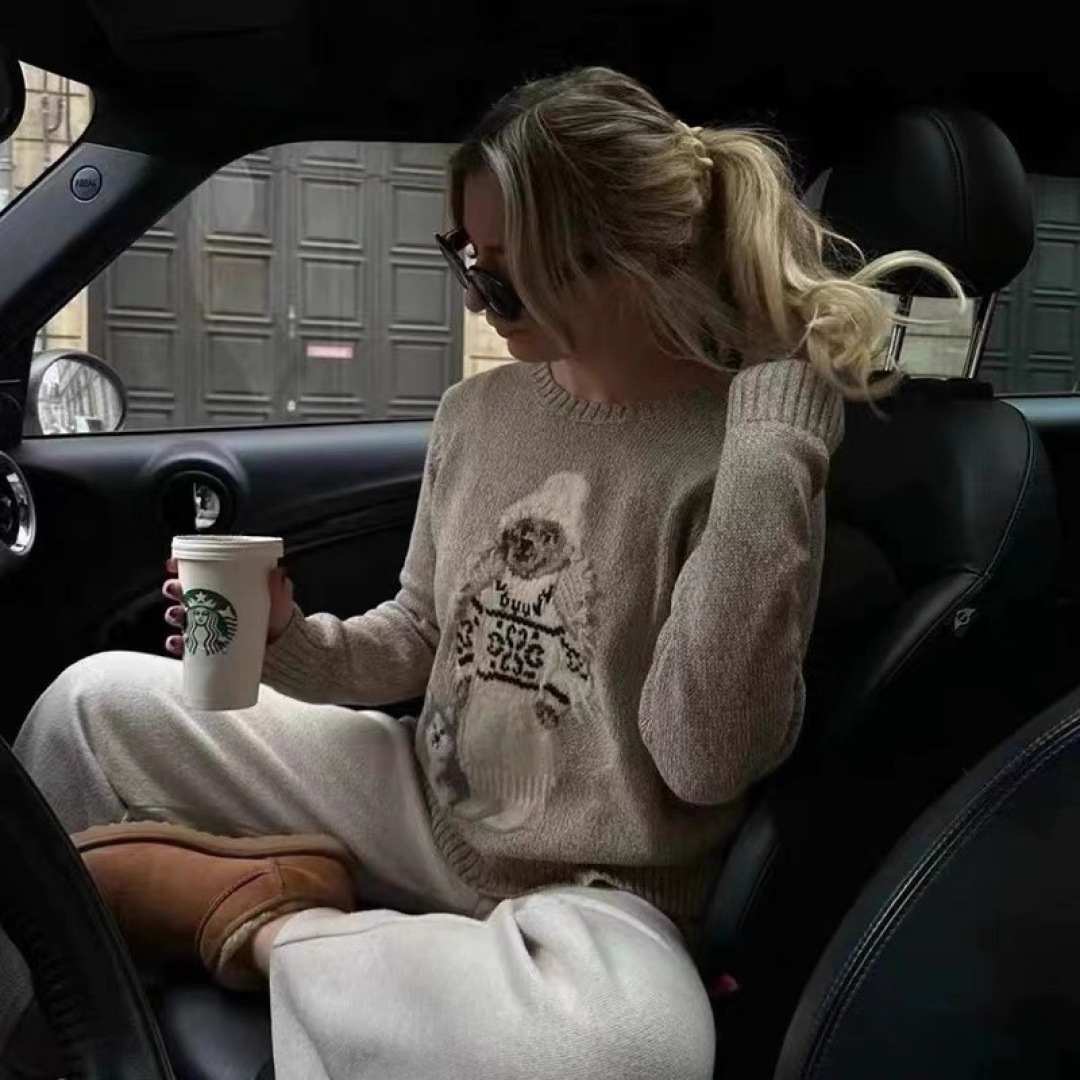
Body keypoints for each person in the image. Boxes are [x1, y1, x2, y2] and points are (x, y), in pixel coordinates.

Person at [1, 67, 958, 1080]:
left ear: (621, 259)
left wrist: (772, 454)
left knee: (634, 1049)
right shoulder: (479, 413)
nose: (475, 295)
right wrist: (288, 642)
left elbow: (704, 763)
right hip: (426, 800)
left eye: (507, 273)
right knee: (88, 707)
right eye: (464, 255)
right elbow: (418, 635)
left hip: (603, 890)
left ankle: (263, 922)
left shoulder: (746, 457)